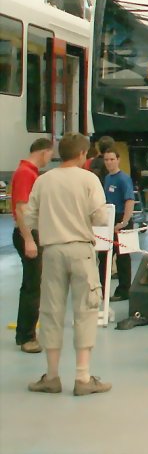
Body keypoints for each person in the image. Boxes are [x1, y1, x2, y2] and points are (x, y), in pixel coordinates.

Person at [23, 132, 111, 396]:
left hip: (51, 251)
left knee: (51, 310)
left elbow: (30, 217)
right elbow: (99, 217)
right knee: (85, 310)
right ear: (83, 154)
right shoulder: (89, 179)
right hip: (81, 251)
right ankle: (83, 378)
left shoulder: (44, 180)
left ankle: (51, 376)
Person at [12, 137, 54, 354]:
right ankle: (27, 336)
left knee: (33, 285)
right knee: (32, 287)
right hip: (28, 234)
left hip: (33, 233)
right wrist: (28, 238)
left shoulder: (30, 173)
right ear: (44, 152)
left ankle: (25, 332)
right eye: (50, 154)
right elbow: (21, 209)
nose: (50, 159)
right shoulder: (26, 173)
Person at [96, 149, 135, 301]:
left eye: (112, 159)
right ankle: (102, 290)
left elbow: (129, 201)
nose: (109, 162)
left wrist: (124, 222)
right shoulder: (107, 178)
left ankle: (124, 291)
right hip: (109, 218)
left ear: (118, 160)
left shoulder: (123, 179)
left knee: (123, 258)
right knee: (104, 256)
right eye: (106, 160)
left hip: (121, 218)